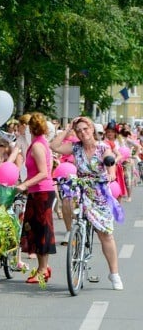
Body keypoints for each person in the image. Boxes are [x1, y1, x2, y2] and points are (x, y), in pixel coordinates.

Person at [50, 115, 124, 290]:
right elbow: (53, 146)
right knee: (67, 200)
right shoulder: (75, 148)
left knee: (105, 234)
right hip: (81, 189)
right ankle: (74, 232)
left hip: (98, 192)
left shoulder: (102, 148)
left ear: (92, 129)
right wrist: (68, 128)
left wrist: (111, 172)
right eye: (79, 130)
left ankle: (114, 273)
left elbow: (110, 160)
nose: (83, 133)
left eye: (85, 129)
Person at [14, 112, 58, 284]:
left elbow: (43, 173)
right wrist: (24, 185)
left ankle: (43, 269)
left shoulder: (38, 146)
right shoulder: (36, 143)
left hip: (43, 192)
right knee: (35, 230)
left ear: (29, 128)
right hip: (36, 191)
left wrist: (25, 185)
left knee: (42, 232)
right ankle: (42, 268)